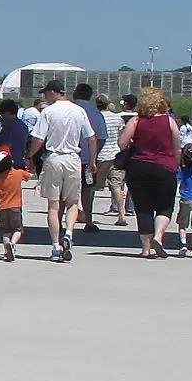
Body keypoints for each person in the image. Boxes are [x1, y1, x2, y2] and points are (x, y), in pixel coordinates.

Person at [29, 80, 93, 263]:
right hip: (73, 157)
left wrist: (29, 156)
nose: (45, 98)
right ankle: (69, 233)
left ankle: (56, 246)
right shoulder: (78, 111)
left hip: (54, 157)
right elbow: (91, 137)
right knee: (73, 202)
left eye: (46, 94)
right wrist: (92, 161)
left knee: (54, 205)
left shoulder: (48, 111)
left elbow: (39, 139)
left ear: (53, 92)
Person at [122, 87, 180, 258]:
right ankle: (158, 235)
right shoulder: (169, 121)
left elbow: (121, 143)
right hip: (165, 167)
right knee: (165, 206)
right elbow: (177, 148)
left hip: (138, 168)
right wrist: (175, 166)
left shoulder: (136, 121)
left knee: (143, 208)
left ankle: (146, 249)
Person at [73, 84, 108, 233]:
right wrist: (93, 155)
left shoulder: (70, 109)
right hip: (88, 159)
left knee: (66, 191)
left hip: (68, 156)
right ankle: (89, 219)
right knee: (88, 190)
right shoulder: (95, 113)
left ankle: (62, 219)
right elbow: (101, 137)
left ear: (75, 94)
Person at [0, 144, 26, 262]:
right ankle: (13, 244)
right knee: (18, 230)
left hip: (2, 208)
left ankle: (7, 248)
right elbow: (29, 176)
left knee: (5, 231)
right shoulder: (18, 173)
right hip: (16, 207)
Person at [95, 97, 129, 225]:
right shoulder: (117, 118)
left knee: (92, 186)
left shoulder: (96, 118)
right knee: (116, 186)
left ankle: (87, 216)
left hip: (101, 155)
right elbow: (121, 135)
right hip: (115, 154)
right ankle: (121, 214)